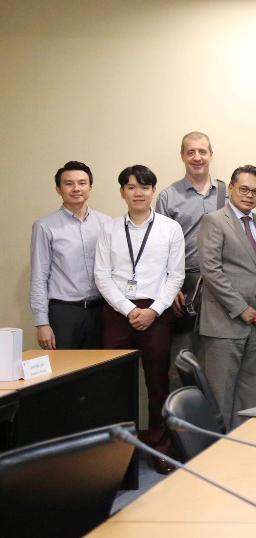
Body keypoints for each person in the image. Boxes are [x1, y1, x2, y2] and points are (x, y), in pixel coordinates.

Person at [95, 165, 184, 474]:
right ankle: (119, 455)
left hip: (157, 313)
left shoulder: (170, 228)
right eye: (131, 187)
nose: (138, 193)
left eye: (144, 187)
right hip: (118, 311)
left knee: (158, 384)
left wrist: (153, 311)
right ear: (122, 192)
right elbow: (102, 276)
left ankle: (160, 448)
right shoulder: (109, 229)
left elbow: (176, 276)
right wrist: (128, 309)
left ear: (153, 191)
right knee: (115, 384)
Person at [198, 165, 256, 429]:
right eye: (244, 189)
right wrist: (240, 308)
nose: (249, 195)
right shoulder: (214, 221)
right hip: (225, 323)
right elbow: (211, 270)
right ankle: (217, 450)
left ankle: (241, 446)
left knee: (248, 395)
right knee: (220, 396)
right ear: (231, 188)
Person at [155, 132, 227, 386]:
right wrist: (170, 288)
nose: (197, 157)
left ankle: (213, 411)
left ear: (211, 155)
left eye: (202, 151)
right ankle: (182, 411)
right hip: (185, 284)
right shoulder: (168, 196)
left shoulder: (227, 193)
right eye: (191, 152)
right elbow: (159, 247)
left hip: (221, 285)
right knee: (182, 359)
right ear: (182, 156)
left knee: (217, 357)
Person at [30, 161, 112, 350]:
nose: (76, 188)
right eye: (69, 183)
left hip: (101, 309)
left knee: (101, 366)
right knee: (64, 366)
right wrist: (42, 323)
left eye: (82, 183)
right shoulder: (45, 226)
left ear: (90, 187)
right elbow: (39, 276)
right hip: (64, 312)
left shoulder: (106, 223)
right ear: (59, 189)